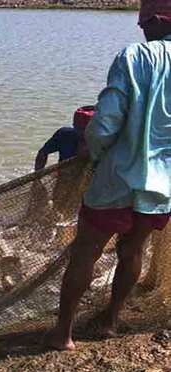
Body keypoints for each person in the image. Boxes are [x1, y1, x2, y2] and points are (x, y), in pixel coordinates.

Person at [46, 0, 171, 351]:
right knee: (133, 251)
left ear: (158, 20)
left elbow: (105, 122)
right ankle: (111, 321)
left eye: (145, 24)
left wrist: (94, 153)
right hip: (161, 185)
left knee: (86, 252)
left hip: (116, 177)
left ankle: (63, 334)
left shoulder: (135, 56)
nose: (143, 32)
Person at [34, 105, 95, 170]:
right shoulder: (64, 135)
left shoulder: (103, 143)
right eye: (79, 128)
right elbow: (43, 152)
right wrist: (38, 173)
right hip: (65, 175)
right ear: (74, 125)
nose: (82, 132)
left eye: (86, 129)